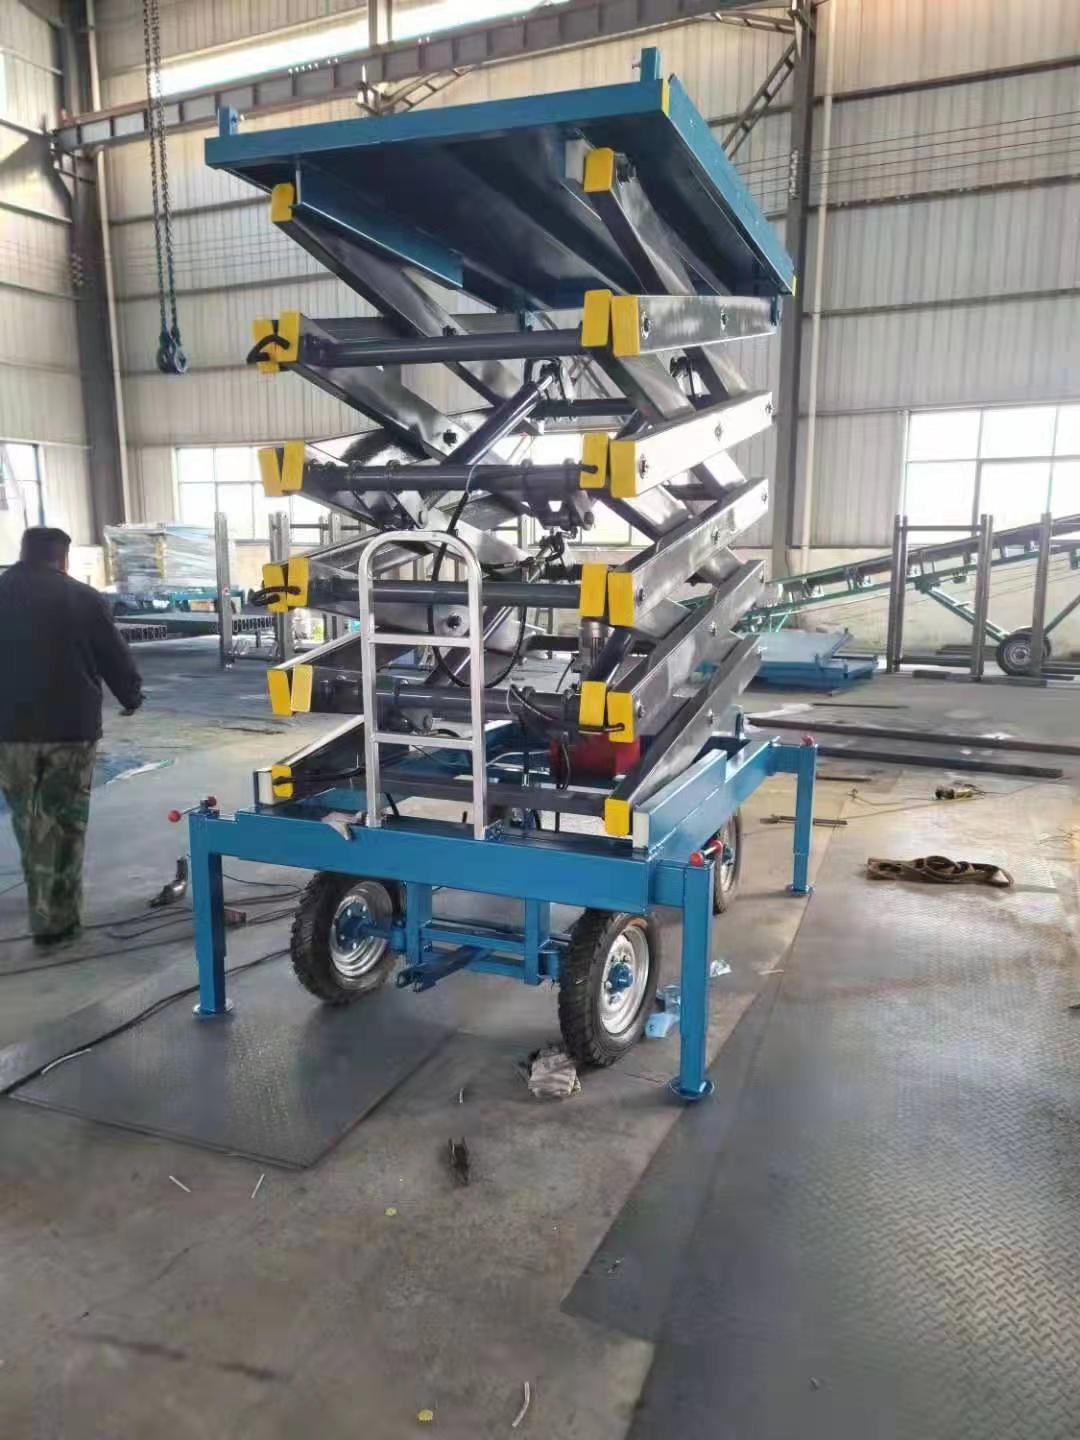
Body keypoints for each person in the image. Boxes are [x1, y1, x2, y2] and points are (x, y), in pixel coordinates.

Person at [0, 527, 144, 946]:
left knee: (29, 822)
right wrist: (131, 696)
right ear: (63, 558)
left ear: (23, 553)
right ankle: (55, 922)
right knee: (64, 824)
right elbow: (113, 655)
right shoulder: (82, 598)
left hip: (9, 733)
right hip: (69, 732)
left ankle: (44, 907)